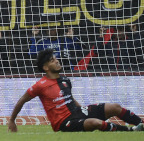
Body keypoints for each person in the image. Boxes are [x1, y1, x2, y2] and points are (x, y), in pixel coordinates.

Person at [8, 49, 144, 133]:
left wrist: (82, 109)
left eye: (56, 58)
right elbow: (22, 101)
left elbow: (69, 99)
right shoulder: (40, 85)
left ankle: (140, 124)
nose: (57, 61)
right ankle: (130, 130)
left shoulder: (65, 80)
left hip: (77, 112)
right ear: (45, 67)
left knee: (114, 107)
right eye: (52, 60)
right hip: (64, 123)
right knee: (95, 123)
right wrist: (12, 120)